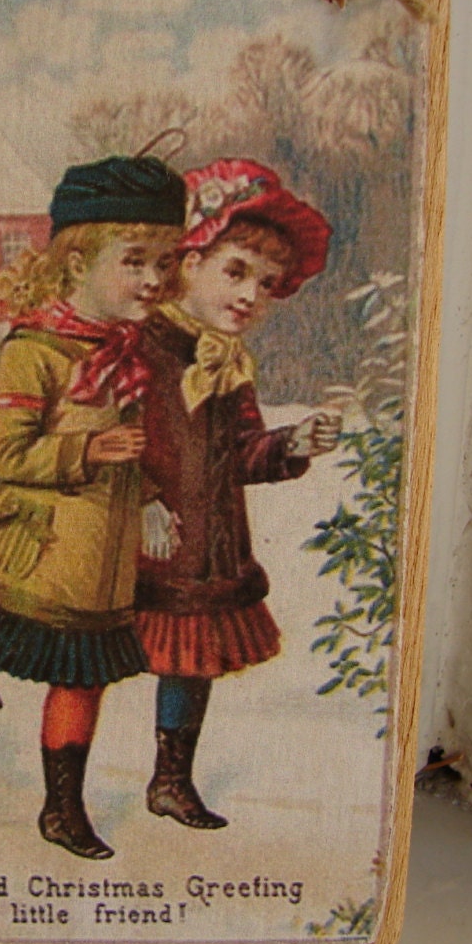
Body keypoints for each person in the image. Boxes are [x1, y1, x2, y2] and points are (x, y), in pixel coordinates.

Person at [0, 155, 186, 858]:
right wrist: (87, 453)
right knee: (55, 657)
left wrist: (151, 498)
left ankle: (60, 807)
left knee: (84, 675)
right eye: (135, 260)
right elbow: (7, 456)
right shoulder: (34, 348)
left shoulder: (126, 349)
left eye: (166, 261)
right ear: (74, 260)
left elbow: (139, 444)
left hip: (102, 555)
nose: (155, 280)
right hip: (38, 544)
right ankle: (57, 801)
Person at [135, 158, 341, 829]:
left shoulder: (227, 362)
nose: (252, 294)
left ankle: (170, 779)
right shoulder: (140, 346)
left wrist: (292, 444)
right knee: (84, 650)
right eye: (236, 270)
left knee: (186, 661)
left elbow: (243, 452)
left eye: (268, 283)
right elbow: (100, 427)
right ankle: (62, 786)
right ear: (189, 260)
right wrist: (138, 497)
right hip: (128, 533)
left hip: (203, 544)